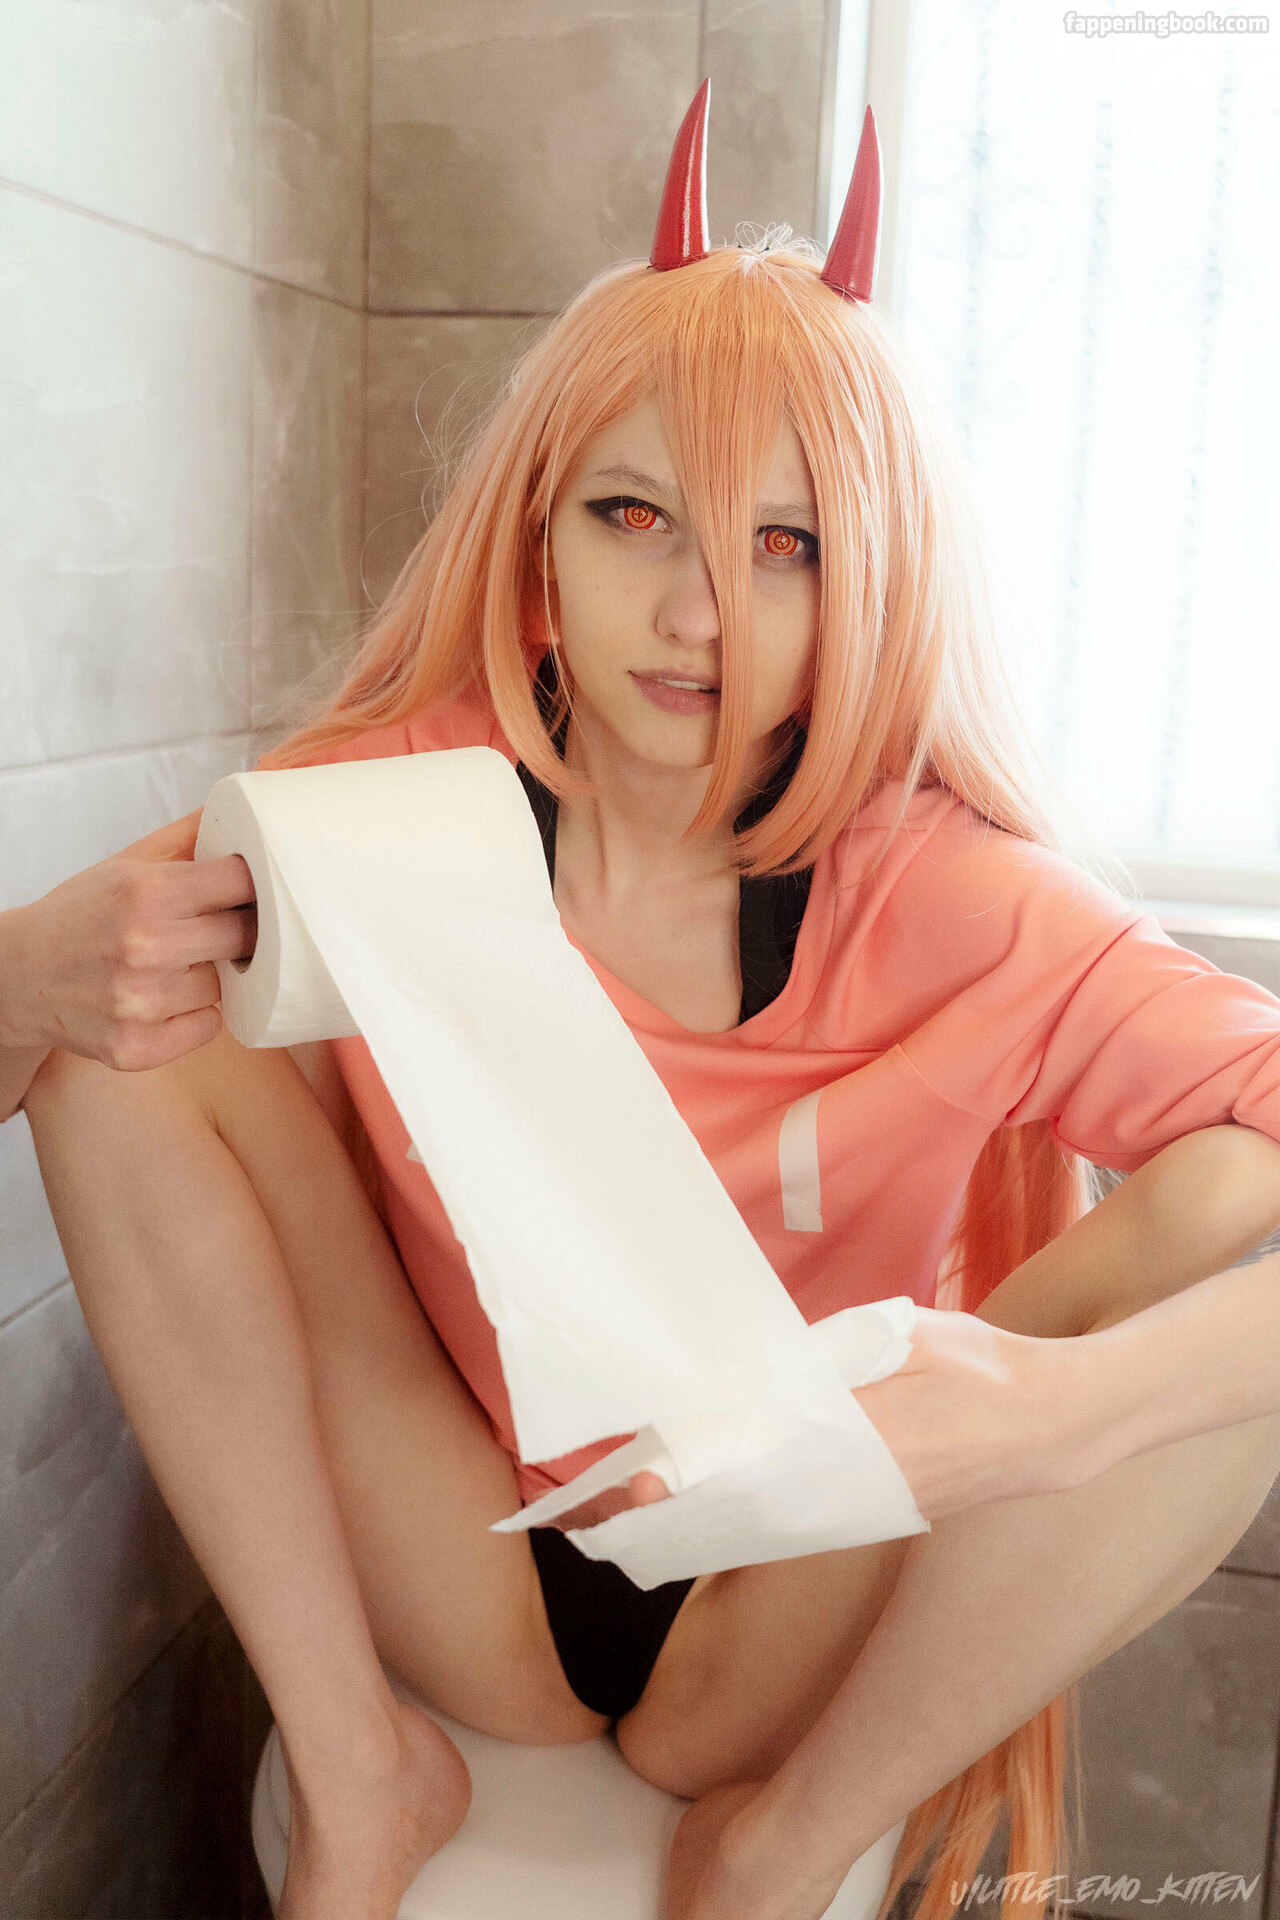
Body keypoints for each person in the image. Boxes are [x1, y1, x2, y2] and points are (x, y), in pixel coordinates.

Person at [4, 84, 1280, 1920]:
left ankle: (782, 1844)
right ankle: (363, 1767)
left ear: (871, 588)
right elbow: (59, 1032)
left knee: (1219, 1316)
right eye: (635, 517)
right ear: (540, 552)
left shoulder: (958, 898)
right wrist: (24, 970)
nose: (702, 616)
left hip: (789, 1593)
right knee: (115, 1044)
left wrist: (1053, 1405)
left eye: (788, 546)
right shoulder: (382, 808)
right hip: (466, 1555)